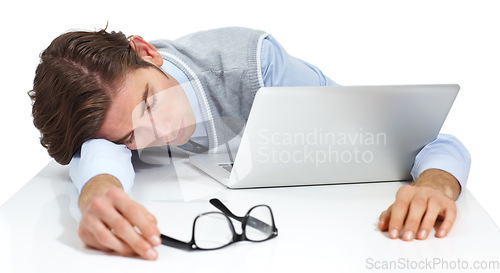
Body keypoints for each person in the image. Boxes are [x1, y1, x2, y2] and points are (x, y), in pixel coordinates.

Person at [29, 27, 471, 261]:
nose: (158, 135)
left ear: (147, 52)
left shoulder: (256, 68)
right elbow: (99, 154)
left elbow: (421, 139)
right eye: (130, 138)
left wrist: (435, 183)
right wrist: (97, 193)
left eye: (149, 105)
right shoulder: (115, 117)